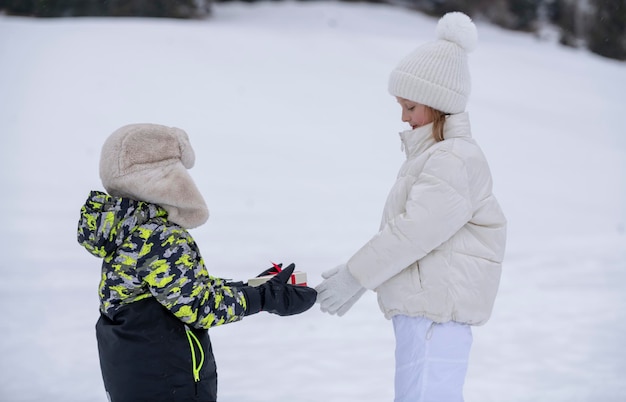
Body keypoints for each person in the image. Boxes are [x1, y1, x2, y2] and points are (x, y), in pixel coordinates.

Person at [315, 12, 507, 402]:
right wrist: (362, 279)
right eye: (401, 106)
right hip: (427, 310)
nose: (403, 117)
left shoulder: (452, 159)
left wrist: (357, 275)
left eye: (411, 107)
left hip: (436, 314)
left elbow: (414, 232)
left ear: (438, 105)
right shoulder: (435, 157)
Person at [77, 123, 317, 402]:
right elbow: (197, 306)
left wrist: (250, 286)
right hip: (169, 385)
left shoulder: (125, 232)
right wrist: (263, 298)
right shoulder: (159, 237)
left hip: (137, 382)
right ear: (163, 177)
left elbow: (175, 292)